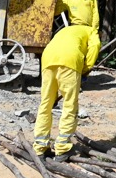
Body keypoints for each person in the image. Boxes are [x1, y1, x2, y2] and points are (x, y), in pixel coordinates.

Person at [33, 23, 97, 161]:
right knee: (70, 105)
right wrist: (86, 69)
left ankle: (40, 148)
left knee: (46, 103)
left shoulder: (67, 30)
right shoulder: (92, 31)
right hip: (70, 60)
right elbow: (94, 47)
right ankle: (62, 149)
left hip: (48, 59)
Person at [59, 0, 100, 73]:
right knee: (76, 52)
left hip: (89, 28)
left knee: (96, 45)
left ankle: (85, 70)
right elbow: (57, 11)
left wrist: (95, 29)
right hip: (74, 28)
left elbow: (95, 14)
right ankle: (75, 72)